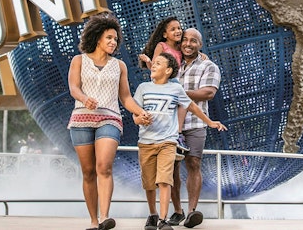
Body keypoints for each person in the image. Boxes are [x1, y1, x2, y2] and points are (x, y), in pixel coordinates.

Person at [68, 13, 151, 230]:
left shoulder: (119, 66)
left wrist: (140, 112)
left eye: (115, 39)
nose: (113, 42)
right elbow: (74, 88)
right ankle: (93, 221)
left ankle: (105, 217)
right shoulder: (79, 60)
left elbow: (125, 98)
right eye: (109, 38)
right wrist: (85, 98)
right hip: (81, 118)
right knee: (88, 172)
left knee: (104, 166)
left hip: (110, 118)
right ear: (97, 38)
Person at [133, 53, 227, 230]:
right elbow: (135, 112)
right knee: (149, 183)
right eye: (154, 63)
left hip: (168, 142)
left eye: (158, 63)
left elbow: (192, 106)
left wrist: (210, 122)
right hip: (146, 142)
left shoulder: (176, 89)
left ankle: (162, 219)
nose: (153, 65)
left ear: (168, 70)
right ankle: (152, 214)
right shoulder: (143, 88)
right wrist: (138, 120)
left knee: (164, 180)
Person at [166, 28, 221, 228]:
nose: (188, 44)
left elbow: (208, 93)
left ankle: (191, 212)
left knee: (193, 164)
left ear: (201, 44)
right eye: (185, 40)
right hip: (170, 124)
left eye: (194, 41)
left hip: (195, 123)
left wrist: (176, 92)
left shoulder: (209, 66)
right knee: (170, 168)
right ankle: (177, 211)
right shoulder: (172, 64)